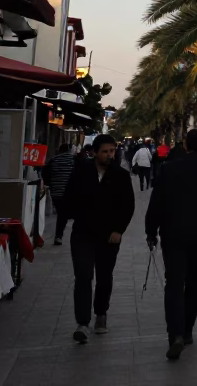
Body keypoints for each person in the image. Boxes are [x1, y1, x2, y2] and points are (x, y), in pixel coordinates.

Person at [146, 129, 197, 360]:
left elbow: (157, 202)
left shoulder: (169, 169)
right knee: (193, 282)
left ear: (185, 144)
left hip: (173, 235)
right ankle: (187, 331)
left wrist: (150, 231)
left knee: (173, 283)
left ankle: (175, 335)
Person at [65, 134, 135, 343]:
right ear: (95, 152)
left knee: (104, 277)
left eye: (112, 151)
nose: (109, 155)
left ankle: (101, 313)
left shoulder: (120, 175)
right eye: (105, 151)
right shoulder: (81, 173)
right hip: (83, 234)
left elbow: (128, 205)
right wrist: (73, 214)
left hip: (109, 236)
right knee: (83, 277)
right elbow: (68, 197)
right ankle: (83, 322)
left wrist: (119, 230)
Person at [42, 143, 78, 245]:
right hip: (71, 193)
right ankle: (62, 236)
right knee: (69, 214)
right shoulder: (74, 160)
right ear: (69, 150)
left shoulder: (53, 160)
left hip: (56, 192)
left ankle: (59, 236)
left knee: (62, 214)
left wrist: (50, 184)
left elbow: (45, 174)